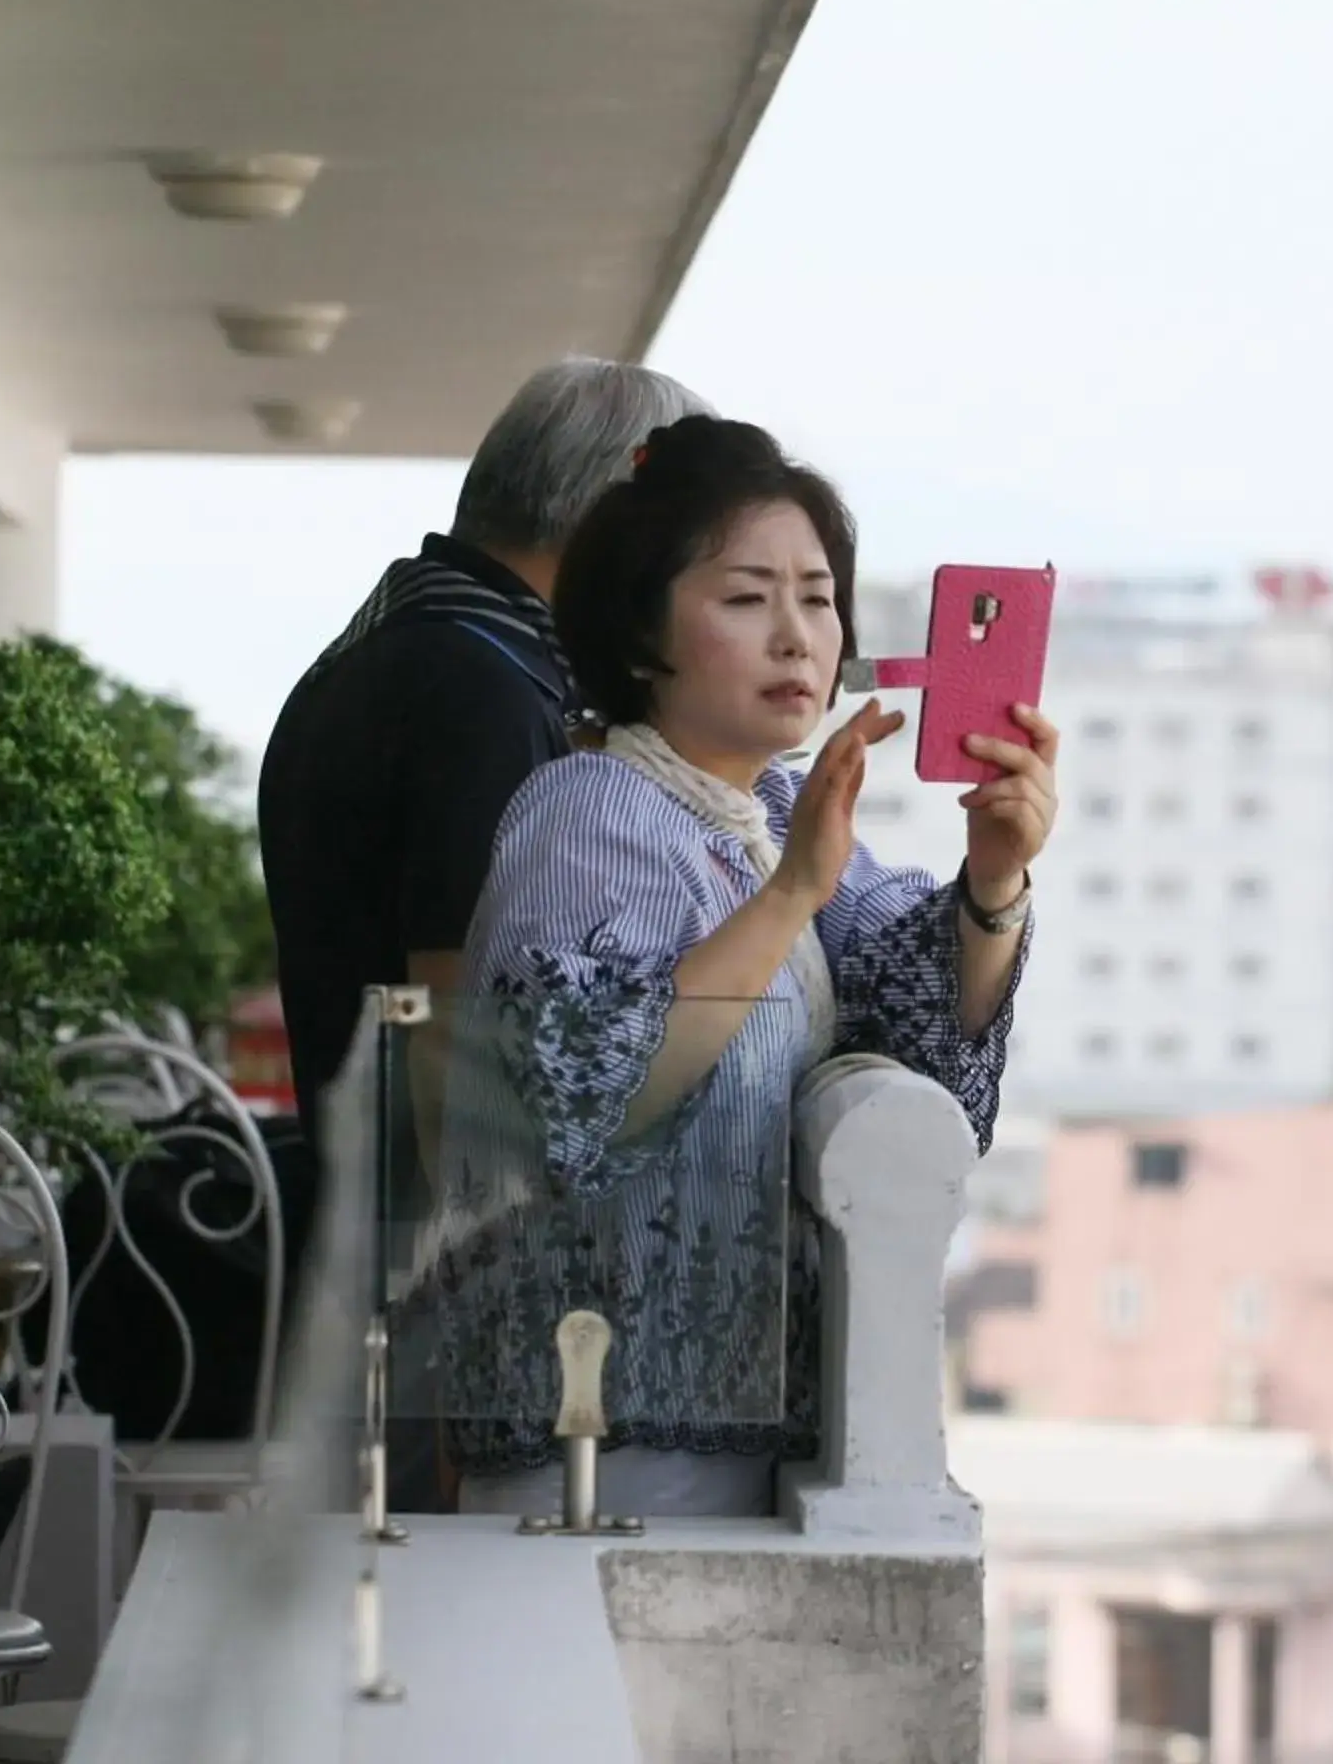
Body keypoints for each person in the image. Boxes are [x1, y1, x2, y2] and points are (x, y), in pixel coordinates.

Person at [421, 415, 1060, 1518]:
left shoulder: (769, 811)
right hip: (596, 1444)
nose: (797, 636)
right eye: (745, 596)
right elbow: (580, 1094)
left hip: (742, 1435)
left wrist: (994, 880)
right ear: (636, 636)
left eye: (816, 597)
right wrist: (787, 898)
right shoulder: (588, 810)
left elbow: (920, 1011)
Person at [257, 355, 710, 1196]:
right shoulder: (481, 687)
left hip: (371, 1193)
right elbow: (453, 1014)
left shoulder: (408, 641)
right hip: (437, 1231)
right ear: (615, 522)